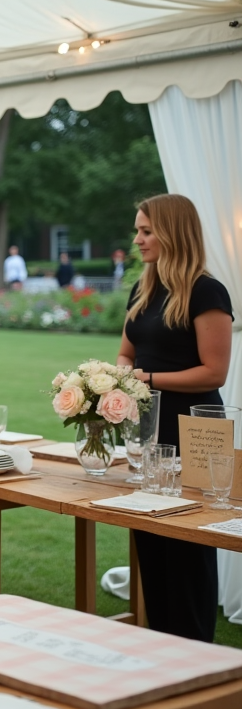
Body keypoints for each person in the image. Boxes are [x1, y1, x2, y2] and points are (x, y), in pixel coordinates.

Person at [117, 194, 232, 642]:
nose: (138, 239)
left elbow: (214, 371)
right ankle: (161, 646)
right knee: (152, 535)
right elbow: (126, 353)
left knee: (188, 547)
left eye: (146, 231)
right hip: (150, 425)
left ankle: (197, 651)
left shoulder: (207, 292)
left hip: (196, 429)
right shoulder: (143, 289)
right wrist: (117, 381)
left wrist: (144, 378)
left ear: (173, 233)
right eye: (137, 230)